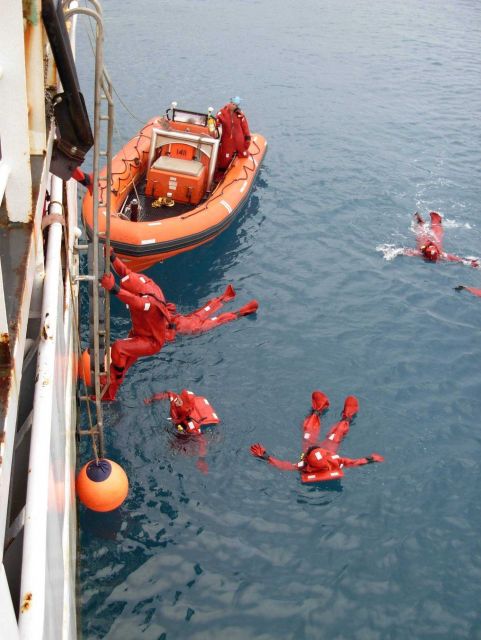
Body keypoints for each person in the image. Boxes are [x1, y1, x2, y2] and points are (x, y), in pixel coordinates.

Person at [99, 252, 258, 400]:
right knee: (200, 313)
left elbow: (136, 302)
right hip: (170, 325)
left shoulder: (149, 303)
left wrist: (114, 288)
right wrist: (112, 257)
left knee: (210, 321)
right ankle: (222, 299)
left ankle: (237, 313)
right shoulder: (147, 289)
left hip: (169, 333)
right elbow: (125, 272)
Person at [250, 391, 384, 483]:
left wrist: (265, 456)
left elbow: (284, 465)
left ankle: (318, 412)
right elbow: (355, 462)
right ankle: (346, 418)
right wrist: (371, 459)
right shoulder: (334, 460)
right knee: (336, 435)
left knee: (308, 432)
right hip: (328, 452)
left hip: (323, 453)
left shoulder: (304, 465)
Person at [144, 389, 220, 473]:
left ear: (186, 408)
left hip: (194, 428)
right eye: (179, 399)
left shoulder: (192, 425)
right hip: (180, 422)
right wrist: (151, 400)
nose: (177, 401)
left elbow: (201, 441)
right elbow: (166, 395)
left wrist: (201, 459)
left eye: (180, 402)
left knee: (180, 444)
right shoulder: (176, 399)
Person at [403, 212, 479, 267]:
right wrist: (471, 262)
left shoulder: (419, 253)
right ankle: (431, 223)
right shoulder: (442, 255)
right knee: (437, 234)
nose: (431, 246)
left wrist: (392, 253)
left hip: (424, 241)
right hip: (434, 241)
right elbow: (458, 259)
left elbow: (402, 251)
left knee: (421, 232)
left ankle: (420, 222)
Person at [215, 97, 251, 172]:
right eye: (232, 104)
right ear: (230, 102)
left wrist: (247, 139)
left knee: (244, 154)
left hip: (239, 140)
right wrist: (216, 123)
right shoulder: (222, 113)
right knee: (225, 160)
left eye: (235, 105)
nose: (233, 106)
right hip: (228, 140)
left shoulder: (240, 115)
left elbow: (245, 127)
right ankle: (220, 174)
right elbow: (217, 121)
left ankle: (239, 169)